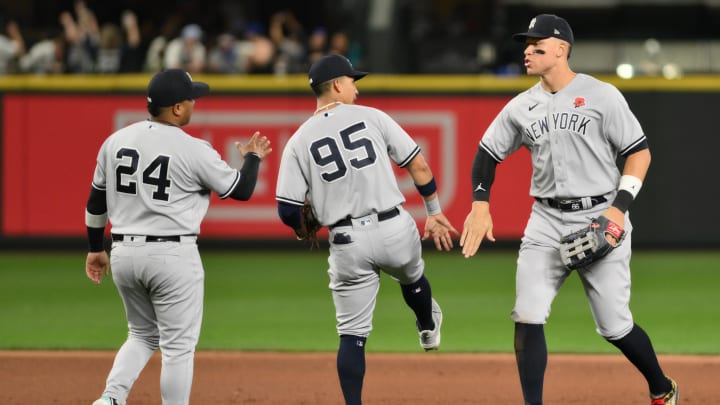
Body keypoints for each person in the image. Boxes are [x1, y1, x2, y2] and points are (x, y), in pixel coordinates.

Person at [459, 14, 678, 405]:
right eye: (526, 44)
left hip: (601, 214)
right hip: (545, 219)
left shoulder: (602, 95)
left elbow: (638, 153)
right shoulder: (520, 106)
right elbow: (486, 155)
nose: (527, 50)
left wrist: (619, 209)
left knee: (614, 326)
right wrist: (480, 204)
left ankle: (662, 387)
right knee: (527, 315)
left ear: (561, 49)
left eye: (537, 45)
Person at [275, 54, 458, 405]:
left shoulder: (298, 141)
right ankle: (426, 324)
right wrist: (433, 211)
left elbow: (286, 209)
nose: (356, 88)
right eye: (353, 81)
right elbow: (418, 165)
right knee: (412, 276)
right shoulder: (372, 117)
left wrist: (301, 227)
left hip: (346, 241)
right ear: (338, 85)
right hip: (393, 228)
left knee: (352, 334)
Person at [85, 69, 272, 405]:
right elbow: (241, 190)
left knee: (142, 334)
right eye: (191, 99)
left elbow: (96, 201)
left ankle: (110, 399)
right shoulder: (193, 148)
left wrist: (95, 249)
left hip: (124, 253)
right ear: (176, 108)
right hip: (172, 255)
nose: (194, 104)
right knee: (178, 348)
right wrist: (253, 158)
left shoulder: (115, 141)